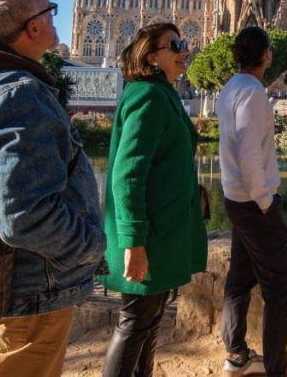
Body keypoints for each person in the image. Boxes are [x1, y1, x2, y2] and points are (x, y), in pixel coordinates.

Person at [0, 0, 106, 376]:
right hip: (28, 291)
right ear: (32, 26)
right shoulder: (16, 92)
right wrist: (91, 245)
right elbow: (24, 215)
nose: (55, 19)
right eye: (49, 11)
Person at [99, 22, 208, 376]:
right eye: (174, 45)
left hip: (161, 231)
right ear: (151, 56)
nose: (184, 51)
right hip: (150, 236)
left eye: (184, 43)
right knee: (134, 322)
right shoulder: (147, 96)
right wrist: (133, 242)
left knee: (148, 321)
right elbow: (127, 174)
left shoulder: (160, 94)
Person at [218, 26, 287, 377]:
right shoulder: (252, 93)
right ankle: (275, 369)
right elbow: (249, 152)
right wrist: (265, 200)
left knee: (240, 277)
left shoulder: (230, 88)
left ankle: (236, 353)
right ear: (265, 55)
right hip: (253, 203)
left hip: (236, 199)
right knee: (281, 285)